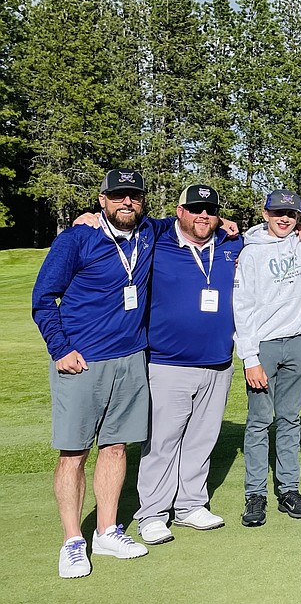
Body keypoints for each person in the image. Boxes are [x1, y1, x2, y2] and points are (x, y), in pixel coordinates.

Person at [32, 169, 156, 578]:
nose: (127, 202)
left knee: (116, 447)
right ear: (101, 199)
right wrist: (60, 348)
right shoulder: (76, 238)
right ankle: (72, 540)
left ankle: (106, 530)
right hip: (82, 361)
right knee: (74, 452)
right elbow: (43, 297)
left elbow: (191, 223)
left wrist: (226, 223)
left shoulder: (149, 233)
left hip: (131, 358)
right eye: (119, 195)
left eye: (134, 196)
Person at [133, 184, 241, 544]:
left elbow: (275, 233)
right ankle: (152, 512)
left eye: (210, 209)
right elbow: (132, 221)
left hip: (218, 362)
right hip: (167, 363)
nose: (203, 215)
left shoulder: (230, 245)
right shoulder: (158, 240)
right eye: (195, 208)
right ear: (180, 212)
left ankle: (191, 504)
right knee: (162, 441)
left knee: (202, 438)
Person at [233, 190, 301, 526]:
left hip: (298, 343)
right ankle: (255, 495)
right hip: (263, 348)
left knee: (290, 419)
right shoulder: (251, 253)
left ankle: (288, 490)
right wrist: (249, 357)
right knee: (258, 422)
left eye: (291, 214)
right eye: (278, 213)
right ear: (265, 213)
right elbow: (242, 308)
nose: (285, 219)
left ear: (299, 218)